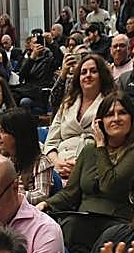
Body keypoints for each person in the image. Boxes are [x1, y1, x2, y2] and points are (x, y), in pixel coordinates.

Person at [40, 91, 134, 253]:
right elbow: (71, 193)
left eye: (122, 113)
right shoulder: (88, 150)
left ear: (132, 118)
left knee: (77, 229)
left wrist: (100, 145)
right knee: (65, 228)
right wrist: (46, 204)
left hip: (118, 222)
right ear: (100, 121)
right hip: (84, 220)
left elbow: (110, 184)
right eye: (109, 114)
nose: (116, 119)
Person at [44, 54, 114, 183]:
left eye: (93, 71)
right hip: (59, 167)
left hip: (93, 166)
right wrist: (57, 163)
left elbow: (113, 144)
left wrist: (81, 166)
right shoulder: (67, 104)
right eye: (83, 72)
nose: (88, 75)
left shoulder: (111, 103)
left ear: (102, 76)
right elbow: (50, 142)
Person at [0, 108, 57, 207]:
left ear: (18, 136)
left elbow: (42, 195)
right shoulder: (4, 161)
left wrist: (18, 194)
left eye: (3, 132)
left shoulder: (41, 162)